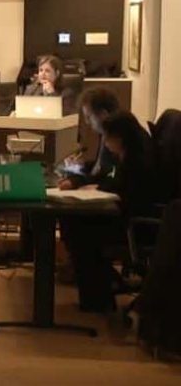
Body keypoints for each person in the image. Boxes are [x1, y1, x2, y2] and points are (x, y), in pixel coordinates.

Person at [62, 111, 158, 313]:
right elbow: (109, 180)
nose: (105, 142)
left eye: (108, 137)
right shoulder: (125, 156)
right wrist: (83, 182)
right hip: (123, 219)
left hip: (133, 227)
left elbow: (123, 191)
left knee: (79, 232)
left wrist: (98, 188)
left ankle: (98, 297)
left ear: (120, 138)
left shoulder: (137, 163)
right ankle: (100, 290)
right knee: (72, 222)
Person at [58, 87, 119, 190]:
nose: (87, 122)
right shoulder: (104, 134)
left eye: (89, 117)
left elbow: (105, 176)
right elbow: (100, 168)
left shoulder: (116, 138)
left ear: (103, 114)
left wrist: (76, 181)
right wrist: (81, 166)